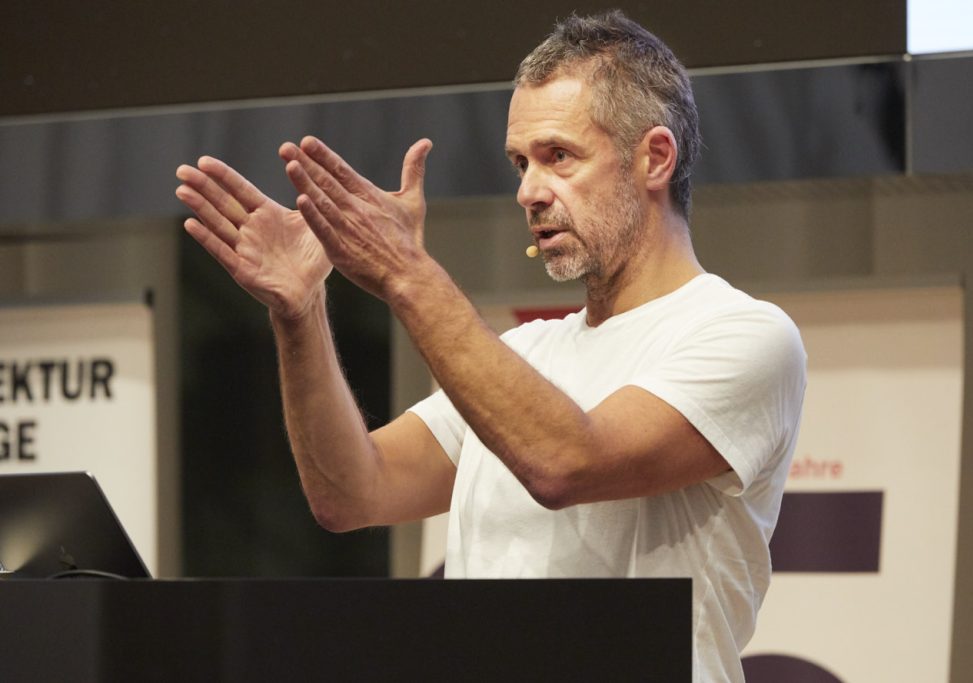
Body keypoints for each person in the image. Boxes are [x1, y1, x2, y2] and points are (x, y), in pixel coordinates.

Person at [175, 10, 805, 681]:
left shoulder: (744, 335)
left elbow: (565, 463)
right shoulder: (524, 352)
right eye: (520, 163)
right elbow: (352, 492)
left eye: (559, 156)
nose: (528, 191)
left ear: (654, 157)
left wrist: (407, 274)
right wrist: (300, 313)